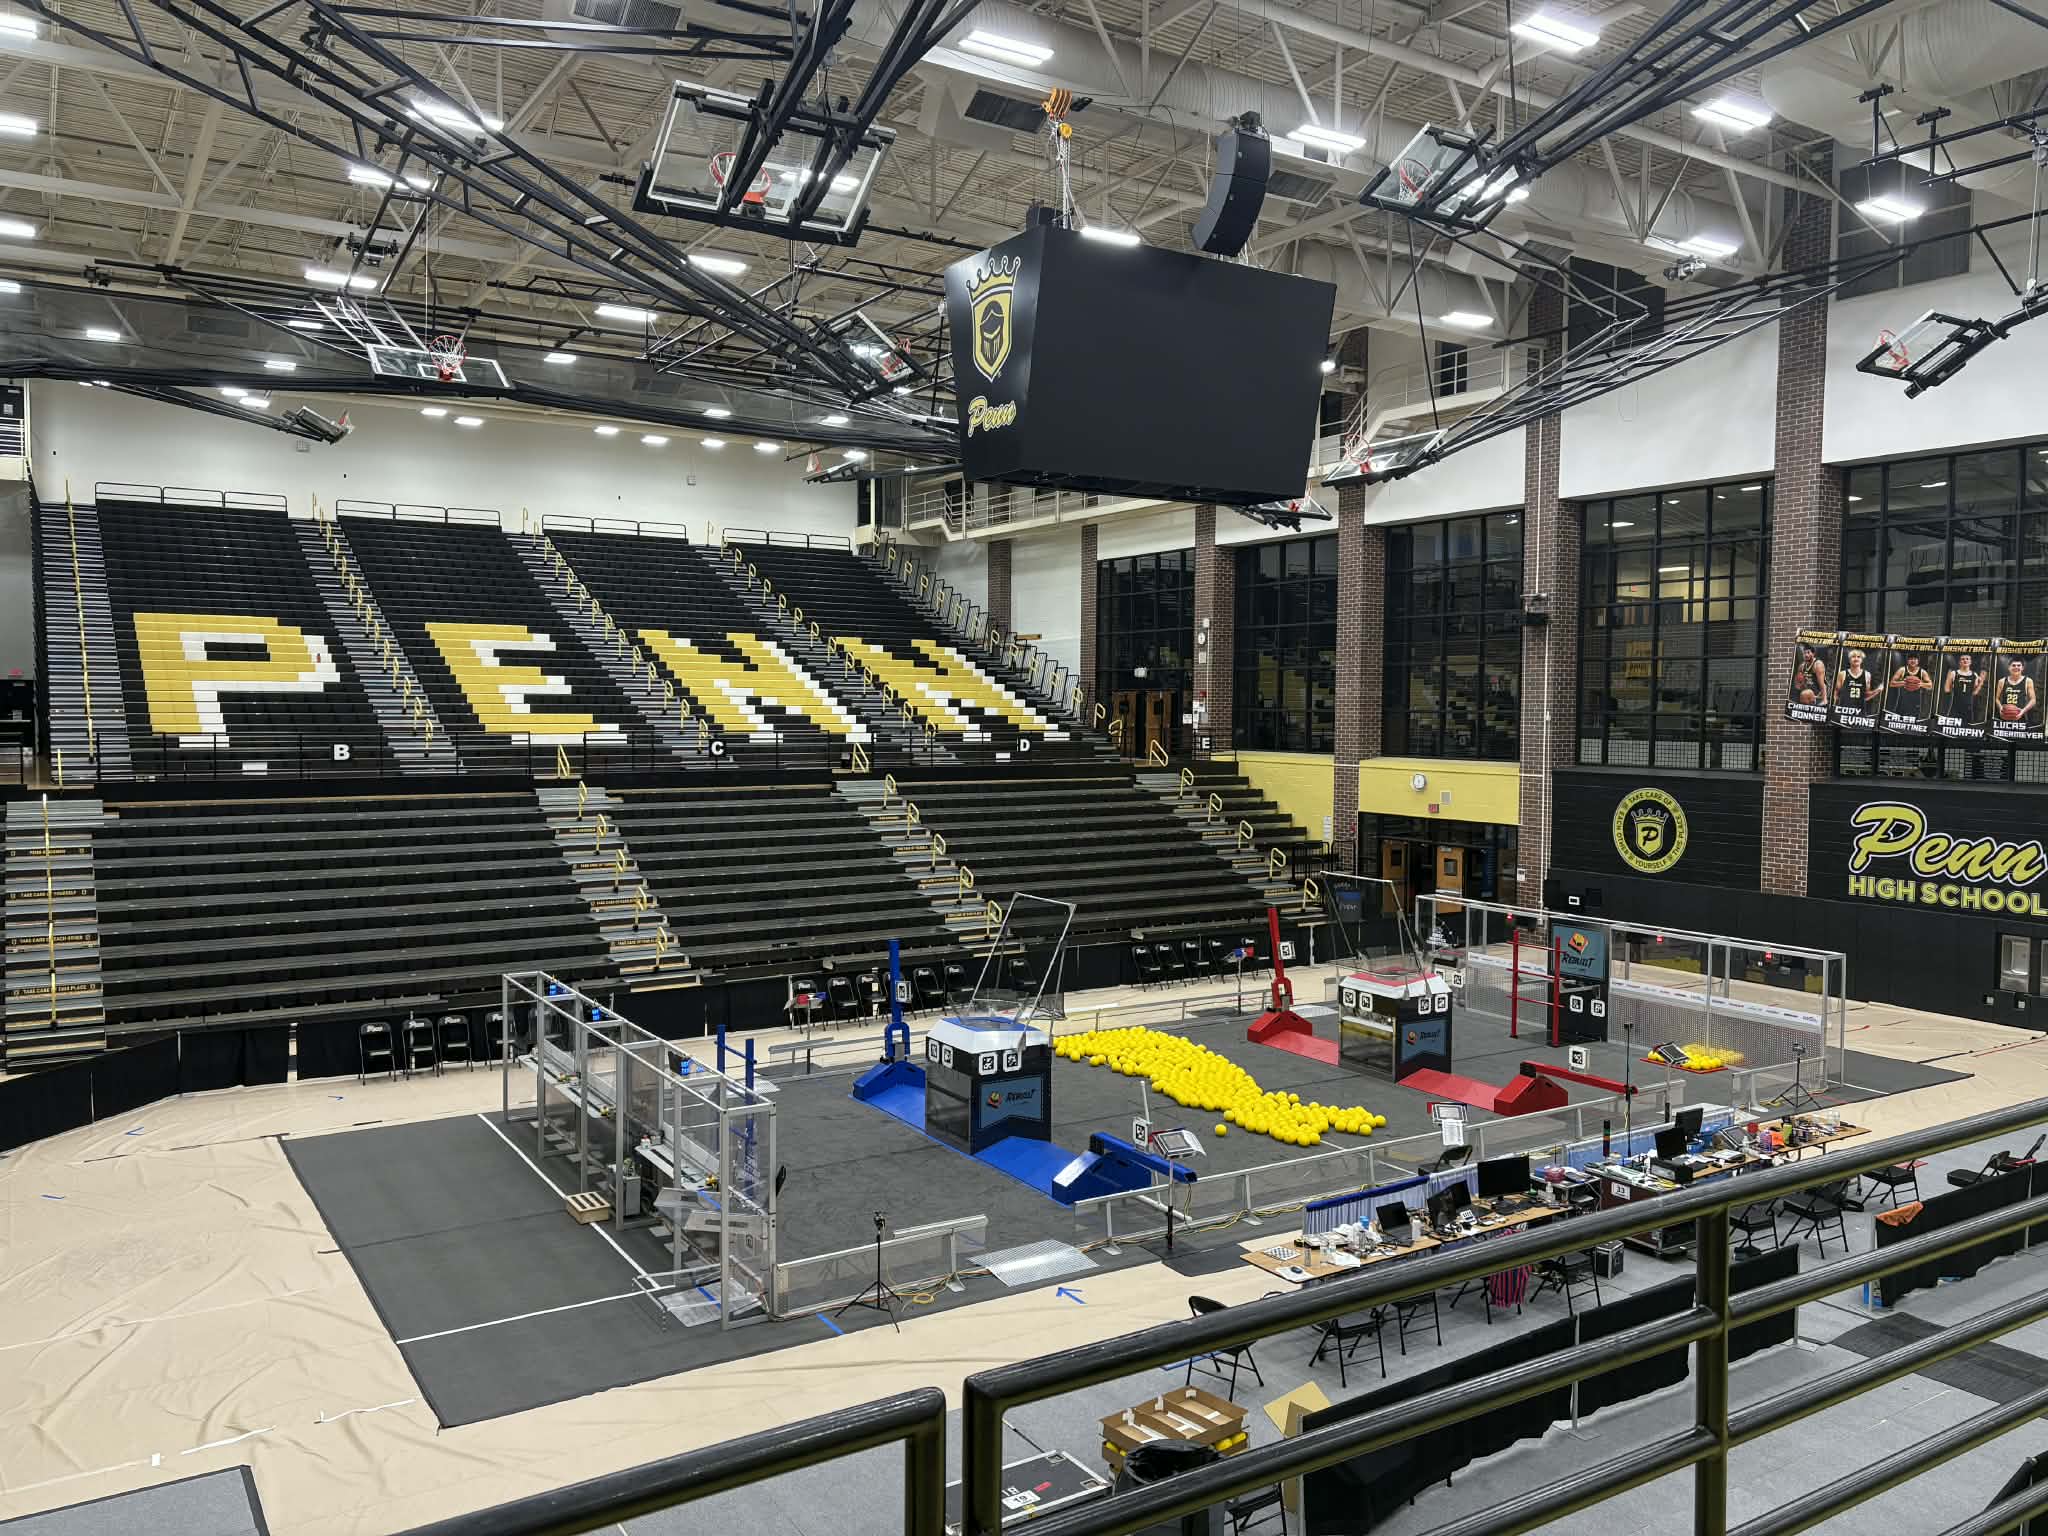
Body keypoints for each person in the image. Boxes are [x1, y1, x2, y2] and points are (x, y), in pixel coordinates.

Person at [1887, 654, 1934, 719]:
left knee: (1914, 722)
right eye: (1911, 659)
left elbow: (1930, 685)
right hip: (1902, 702)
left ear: (1918, 661)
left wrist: (1919, 684)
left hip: (1915, 703)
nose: (1913, 661)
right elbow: (1891, 683)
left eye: (1915, 659)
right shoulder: (1902, 670)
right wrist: (1905, 683)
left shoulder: (1922, 672)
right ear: (1907, 661)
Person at [1836, 648, 1881, 713]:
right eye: (1853, 657)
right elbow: (1836, 693)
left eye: (1858, 657)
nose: (1856, 659)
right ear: (1849, 660)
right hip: (1844, 709)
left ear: (1862, 660)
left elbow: (1866, 696)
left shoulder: (1867, 675)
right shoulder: (1842, 674)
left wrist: (1878, 690)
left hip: (1859, 711)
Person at [1996, 658, 2038, 724]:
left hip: (2020, 716)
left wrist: (2023, 711)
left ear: (2022, 668)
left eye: (2019, 665)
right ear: (2009, 667)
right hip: (2005, 715)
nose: (2016, 667)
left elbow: (2033, 700)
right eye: (2013, 665)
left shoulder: (2028, 681)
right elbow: (1996, 698)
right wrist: (2001, 708)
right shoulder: (2002, 681)